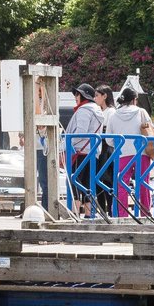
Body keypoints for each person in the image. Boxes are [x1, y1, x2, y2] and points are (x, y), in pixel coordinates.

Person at [105, 79, 154, 219]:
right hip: (142, 153)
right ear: (134, 100)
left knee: (121, 184)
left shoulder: (114, 114)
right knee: (143, 183)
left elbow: (108, 139)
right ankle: (145, 213)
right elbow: (150, 132)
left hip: (122, 154)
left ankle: (122, 214)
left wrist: (120, 145)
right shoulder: (141, 112)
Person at [64, 82, 108, 216]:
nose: (76, 97)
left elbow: (80, 132)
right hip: (93, 151)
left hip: (80, 151)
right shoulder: (97, 110)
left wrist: (67, 143)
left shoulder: (84, 110)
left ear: (84, 96)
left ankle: (75, 213)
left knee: (74, 181)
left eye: (78, 94)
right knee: (88, 184)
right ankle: (89, 214)